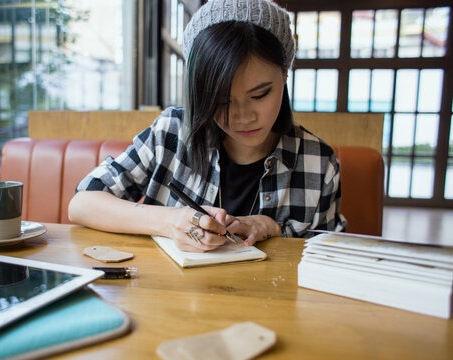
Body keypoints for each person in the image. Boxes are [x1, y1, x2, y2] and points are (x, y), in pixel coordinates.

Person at [68, 0, 347, 252]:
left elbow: (331, 258)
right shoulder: (172, 133)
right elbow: (82, 204)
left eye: (260, 95)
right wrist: (170, 221)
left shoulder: (318, 163)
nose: (242, 116)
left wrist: (273, 228)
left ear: (285, 75)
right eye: (221, 101)